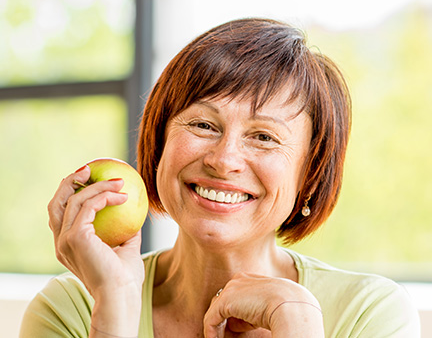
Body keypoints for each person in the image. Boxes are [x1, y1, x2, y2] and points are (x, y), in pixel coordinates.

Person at [20, 18, 420, 337]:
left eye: (264, 137)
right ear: (159, 144)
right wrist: (116, 307)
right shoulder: (71, 309)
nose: (224, 160)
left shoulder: (368, 314)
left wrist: (296, 326)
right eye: (203, 125)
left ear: (310, 176)